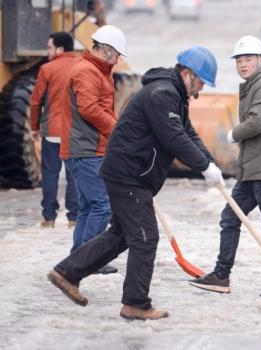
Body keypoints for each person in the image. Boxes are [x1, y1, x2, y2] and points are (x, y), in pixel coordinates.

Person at [47, 46, 224, 321]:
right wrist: (202, 166)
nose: (200, 89)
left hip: (130, 173)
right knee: (145, 238)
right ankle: (135, 303)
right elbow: (174, 138)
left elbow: (187, 132)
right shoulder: (162, 94)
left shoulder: (174, 94)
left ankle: (67, 272)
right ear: (187, 74)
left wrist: (211, 163)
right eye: (201, 82)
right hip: (129, 175)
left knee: (120, 235)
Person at [189, 35, 261, 298]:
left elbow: (259, 121)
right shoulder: (254, 85)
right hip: (252, 168)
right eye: (239, 60)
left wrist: (234, 133)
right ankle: (221, 275)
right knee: (230, 217)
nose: (243, 64)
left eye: (248, 59)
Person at [59, 25, 127, 275]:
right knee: (102, 206)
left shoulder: (99, 71)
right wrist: (114, 130)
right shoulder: (86, 71)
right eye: (117, 54)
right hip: (85, 149)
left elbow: (101, 108)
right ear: (107, 50)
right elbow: (89, 109)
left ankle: (80, 256)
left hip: (89, 148)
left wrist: (117, 122)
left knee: (89, 206)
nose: (119, 59)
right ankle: (83, 261)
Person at [30, 32, 79, 229]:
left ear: (60, 49)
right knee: (74, 174)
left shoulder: (47, 69)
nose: (47, 51)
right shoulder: (82, 66)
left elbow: (35, 102)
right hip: (75, 131)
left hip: (51, 131)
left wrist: (34, 127)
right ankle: (73, 218)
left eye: (49, 47)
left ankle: (49, 219)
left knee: (50, 173)